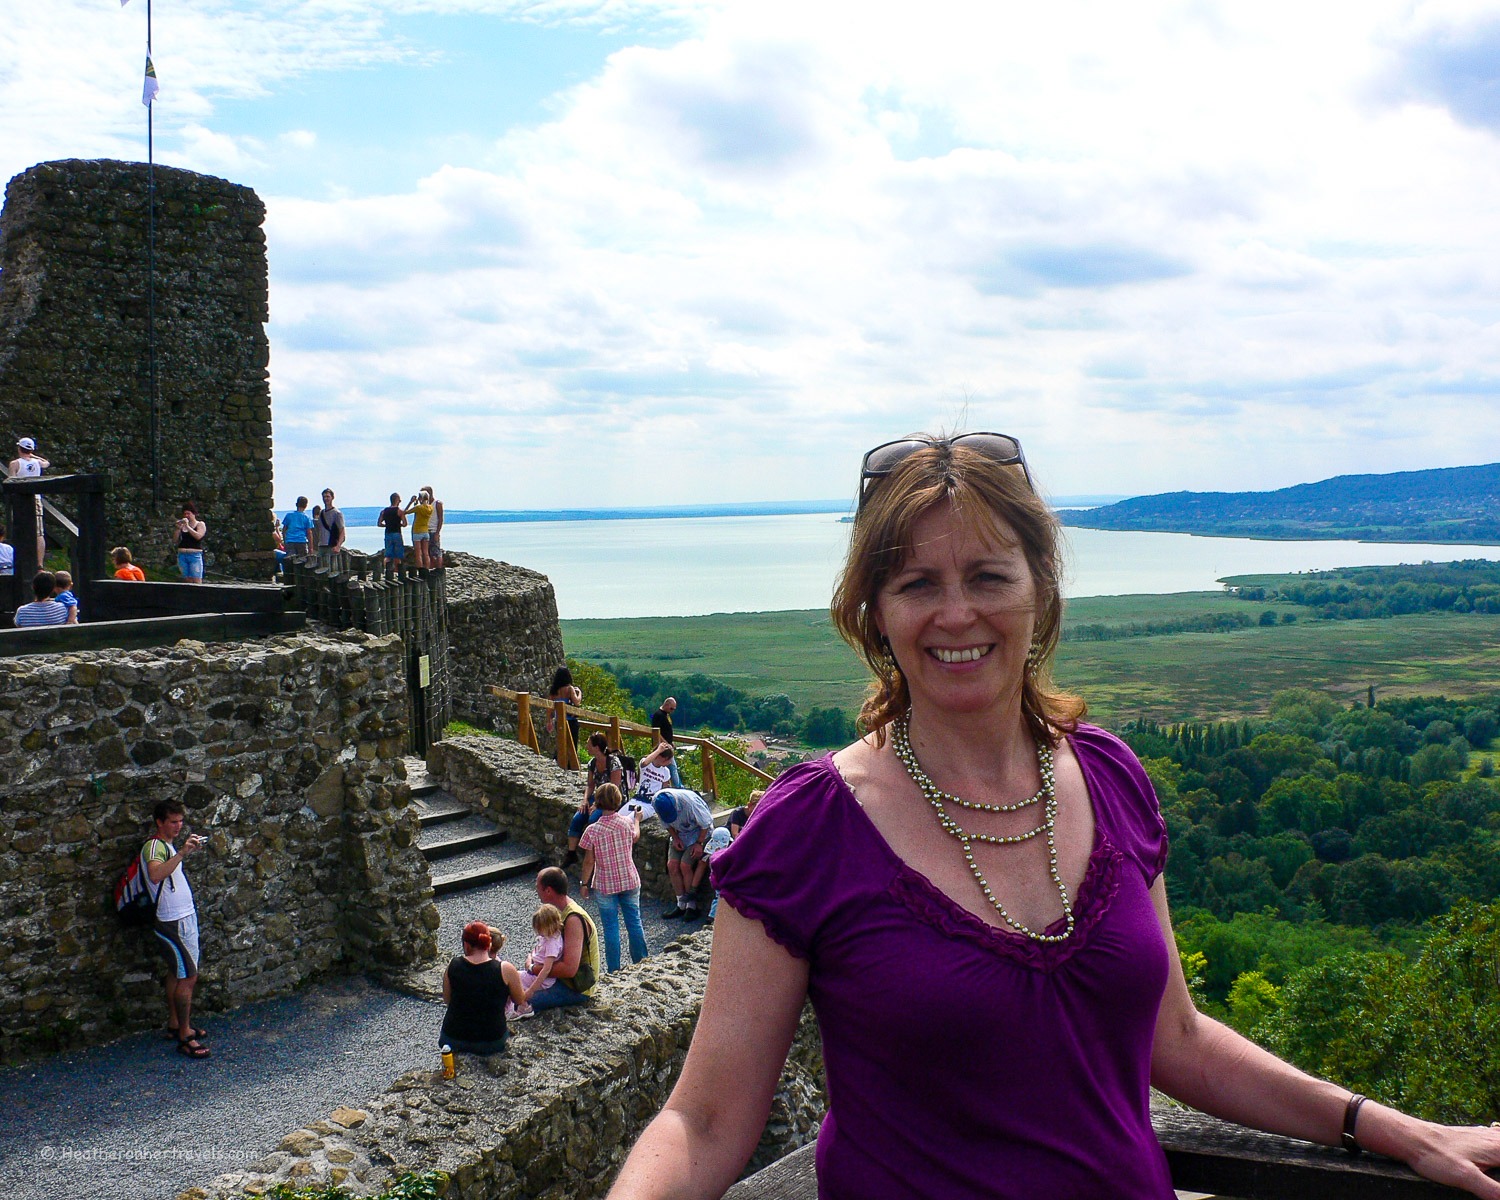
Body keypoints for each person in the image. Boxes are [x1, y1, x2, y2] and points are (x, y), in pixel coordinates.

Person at [606, 431, 1500, 1200]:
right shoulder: (812, 829)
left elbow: (1175, 1039)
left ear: (1040, 587)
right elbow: (708, 1117)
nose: (957, 613)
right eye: (917, 583)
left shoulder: (1109, 776)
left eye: (988, 574)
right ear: (875, 612)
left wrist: (1393, 1129)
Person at [145, 800, 210, 1059]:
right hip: (172, 921)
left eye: (180, 821)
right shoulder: (154, 847)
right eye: (173, 821)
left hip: (182, 917)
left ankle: (175, 1024)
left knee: (176, 971)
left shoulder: (167, 846)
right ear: (160, 822)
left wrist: (180, 851)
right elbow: (155, 875)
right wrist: (182, 853)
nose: (178, 826)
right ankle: (185, 1035)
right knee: (188, 977)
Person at [579, 783, 649, 971]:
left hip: (605, 883)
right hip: (629, 879)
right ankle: (642, 963)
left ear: (599, 802)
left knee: (611, 929)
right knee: (634, 922)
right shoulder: (626, 823)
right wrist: (636, 819)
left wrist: (584, 883)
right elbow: (635, 835)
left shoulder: (592, 830)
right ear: (618, 800)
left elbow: (588, 862)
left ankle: (614, 970)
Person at [440, 921, 530, 1055]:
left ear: (466, 944)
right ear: (489, 943)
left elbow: (447, 1000)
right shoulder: (505, 969)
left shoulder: (453, 965)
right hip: (491, 1041)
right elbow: (520, 999)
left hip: (452, 1038)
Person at [528, 868, 599, 1010]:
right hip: (561, 979)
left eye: (538, 887)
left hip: (576, 987)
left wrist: (533, 968)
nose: (536, 890)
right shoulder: (561, 910)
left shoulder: (573, 919)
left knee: (517, 1002)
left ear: (548, 891)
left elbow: (569, 969)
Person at [651, 788, 714, 920]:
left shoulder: (690, 803)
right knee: (672, 865)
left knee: (685, 865)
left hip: (698, 833)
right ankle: (681, 904)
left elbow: (706, 823)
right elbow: (666, 823)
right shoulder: (657, 802)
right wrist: (675, 838)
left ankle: (692, 905)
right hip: (680, 834)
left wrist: (699, 843)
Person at [564, 732, 621, 867]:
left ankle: (593, 856)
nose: (586, 747)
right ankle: (571, 854)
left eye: (589, 744)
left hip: (612, 798)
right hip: (599, 797)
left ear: (596, 747)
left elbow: (614, 788)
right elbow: (590, 785)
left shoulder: (614, 762)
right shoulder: (592, 763)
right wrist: (585, 800)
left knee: (593, 820)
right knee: (578, 818)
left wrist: (597, 804)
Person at [508, 903, 565, 1017]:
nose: (538, 931)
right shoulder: (550, 936)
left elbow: (546, 969)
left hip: (540, 979)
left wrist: (531, 990)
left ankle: (521, 1007)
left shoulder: (552, 943)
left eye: (540, 928)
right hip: (533, 972)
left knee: (510, 981)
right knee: (513, 978)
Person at [7, 436, 49, 567]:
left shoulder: (15, 464)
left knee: (20, 528)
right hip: (36, 497)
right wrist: (33, 456)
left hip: (20, 499)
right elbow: (46, 462)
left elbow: (11, 481)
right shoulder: (38, 463)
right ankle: (39, 563)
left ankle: (22, 559)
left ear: (19, 448)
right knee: (39, 532)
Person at [546, 666, 583, 754]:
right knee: (572, 744)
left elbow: (549, 708)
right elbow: (577, 702)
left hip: (558, 720)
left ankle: (559, 761)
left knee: (561, 743)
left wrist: (549, 721)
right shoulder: (569, 689)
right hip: (570, 720)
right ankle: (571, 764)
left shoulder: (553, 690)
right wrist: (580, 693)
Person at [632, 742, 675, 817]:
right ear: (659, 756)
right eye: (667, 759)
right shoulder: (646, 764)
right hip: (637, 798)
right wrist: (659, 750)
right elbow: (645, 762)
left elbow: (665, 789)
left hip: (650, 804)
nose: (669, 762)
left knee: (630, 819)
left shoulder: (666, 771)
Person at [650, 697, 682, 786]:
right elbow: (656, 732)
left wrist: (671, 742)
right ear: (666, 704)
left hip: (667, 745)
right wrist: (667, 744)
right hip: (663, 747)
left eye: (674, 709)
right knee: (672, 767)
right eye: (671, 708)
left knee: (669, 768)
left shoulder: (666, 715)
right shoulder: (657, 715)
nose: (672, 711)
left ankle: (672, 786)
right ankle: (678, 787)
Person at [404, 488, 435, 569]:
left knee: (418, 553)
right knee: (426, 553)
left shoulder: (418, 508)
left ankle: (421, 570)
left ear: (421, 498)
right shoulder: (430, 508)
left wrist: (411, 502)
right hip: (426, 532)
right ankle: (427, 569)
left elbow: (405, 512)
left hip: (417, 531)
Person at [175, 506, 207, 583]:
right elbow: (175, 540)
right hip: (182, 554)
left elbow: (198, 536)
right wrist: (178, 529)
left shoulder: (200, 524)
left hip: (194, 554)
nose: (186, 516)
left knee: (196, 579)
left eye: (188, 514)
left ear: (194, 514)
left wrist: (188, 527)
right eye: (185, 514)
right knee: (186, 579)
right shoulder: (183, 526)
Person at [377, 492, 407, 575]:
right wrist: (399, 524)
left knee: (388, 555)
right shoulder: (399, 511)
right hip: (397, 533)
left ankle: (386, 571)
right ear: (397, 500)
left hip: (388, 533)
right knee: (398, 555)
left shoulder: (384, 511)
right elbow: (405, 524)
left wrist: (387, 525)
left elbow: (379, 523)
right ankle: (397, 571)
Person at [317, 488, 345, 561]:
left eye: (328, 496)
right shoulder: (321, 513)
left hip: (331, 545)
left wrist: (338, 546)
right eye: (324, 497)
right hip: (321, 545)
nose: (326, 499)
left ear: (332, 497)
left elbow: (342, 531)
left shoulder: (337, 513)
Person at [424, 483, 445, 566]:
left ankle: (439, 568)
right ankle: (431, 568)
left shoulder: (437, 503)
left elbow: (440, 519)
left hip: (433, 530)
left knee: (436, 552)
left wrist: (437, 532)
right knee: (428, 552)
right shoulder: (424, 505)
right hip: (425, 530)